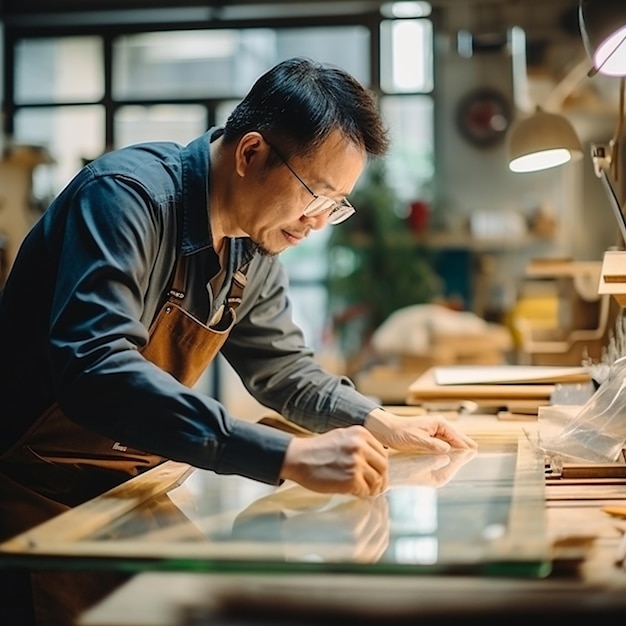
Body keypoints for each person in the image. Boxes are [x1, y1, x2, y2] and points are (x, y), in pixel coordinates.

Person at [0, 56, 477, 625]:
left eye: (335, 205)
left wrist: (375, 419)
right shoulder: (127, 198)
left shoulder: (255, 243)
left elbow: (283, 371)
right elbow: (97, 369)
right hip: (28, 490)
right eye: (314, 195)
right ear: (251, 154)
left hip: (128, 486)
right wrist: (285, 454)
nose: (318, 222)